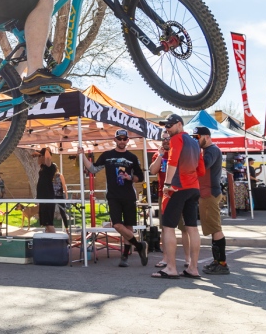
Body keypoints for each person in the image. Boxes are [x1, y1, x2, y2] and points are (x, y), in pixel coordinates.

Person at [80, 129, 148, 267]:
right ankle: (139, 246)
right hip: (113, 195)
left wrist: (130, 177)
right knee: (116, 224)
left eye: (124, 139)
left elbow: (140, 177)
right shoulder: (107, 155)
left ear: (128, 140)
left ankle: (125, 256)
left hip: (129, 195)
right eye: (119, 139)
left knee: (128, 226)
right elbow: (93, 169)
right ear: (115, 140)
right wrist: (82, 156)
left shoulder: (132, 157)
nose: (122, 141)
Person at [151, 114, 205, 279]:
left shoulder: (176, 139)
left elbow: (173, 162)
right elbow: (201, 170)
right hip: (193, 188)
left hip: (178, 188)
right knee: (192, 227)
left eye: (170, 125)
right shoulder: (196, 143)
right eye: (165, 126)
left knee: (168, 227)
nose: (167, 128)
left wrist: (167, 185)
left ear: (180, 125)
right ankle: (193, 268)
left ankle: (171, 268)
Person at [149, 131, 190, 269]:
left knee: (185, 228)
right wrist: (160, 155)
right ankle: (165, 258)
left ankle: (187, 259)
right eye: (163, 139)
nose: (166, 141)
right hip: (164, 194)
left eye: (168, 139)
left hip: (180, 192)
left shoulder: (179, 152)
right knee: (165, 228)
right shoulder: (158, 154)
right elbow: (153, 171)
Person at [194, 127, 230, 275]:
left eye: (197, 137)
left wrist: (195, 152)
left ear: (207, 137)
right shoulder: (206, 150)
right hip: (206, 194)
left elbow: (204, 166)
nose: (196, 140)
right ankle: (217, 261)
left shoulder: (212, 150)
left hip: (210, 193)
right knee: (213, 228)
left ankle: (221, 263)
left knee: (215, 228)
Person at [36, 147, 58, 233]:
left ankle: (56, 241)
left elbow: (48, 158)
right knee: (45, 222)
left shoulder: (50, 166)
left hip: (47, 196)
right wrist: (39, 155)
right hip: (43, 197)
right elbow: (38, 161)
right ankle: (48, 239)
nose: (39, 158)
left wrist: (46, 150)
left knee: (49, 222)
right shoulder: (42, 167)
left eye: (41, 156)